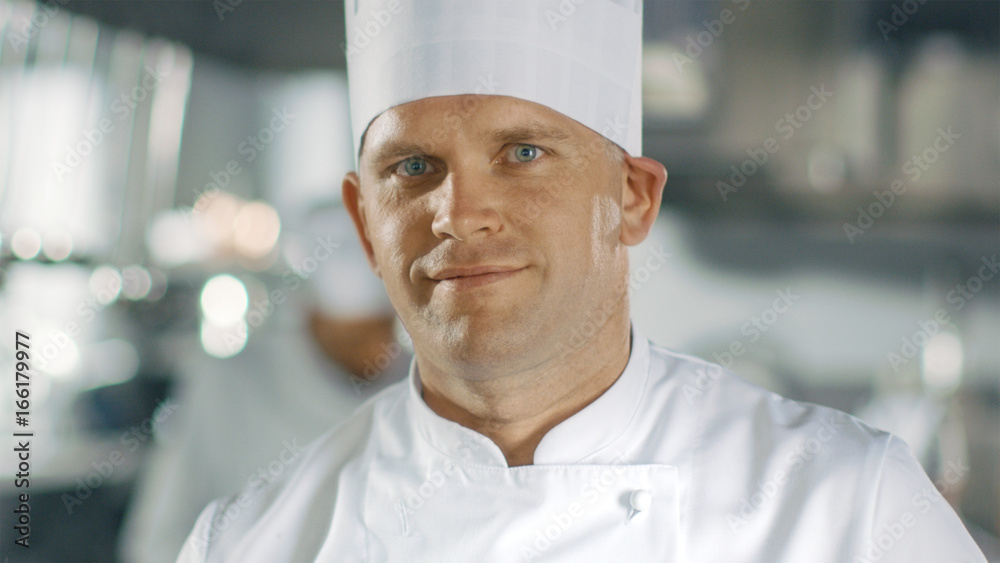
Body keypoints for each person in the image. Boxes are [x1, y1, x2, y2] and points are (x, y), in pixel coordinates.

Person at [177, 1, 987, 561]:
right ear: (365, 224)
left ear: (632, 197)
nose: (460, 213)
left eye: (523, 152)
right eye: (413, 166)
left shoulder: (848, 507)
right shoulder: (251, 540)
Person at [120, 204, 407, 563]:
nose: (372, 352)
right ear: (310, 314)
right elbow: (158, 540)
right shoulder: (230, 384)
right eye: (352, 338)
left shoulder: (426, 391)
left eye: (380, 332)